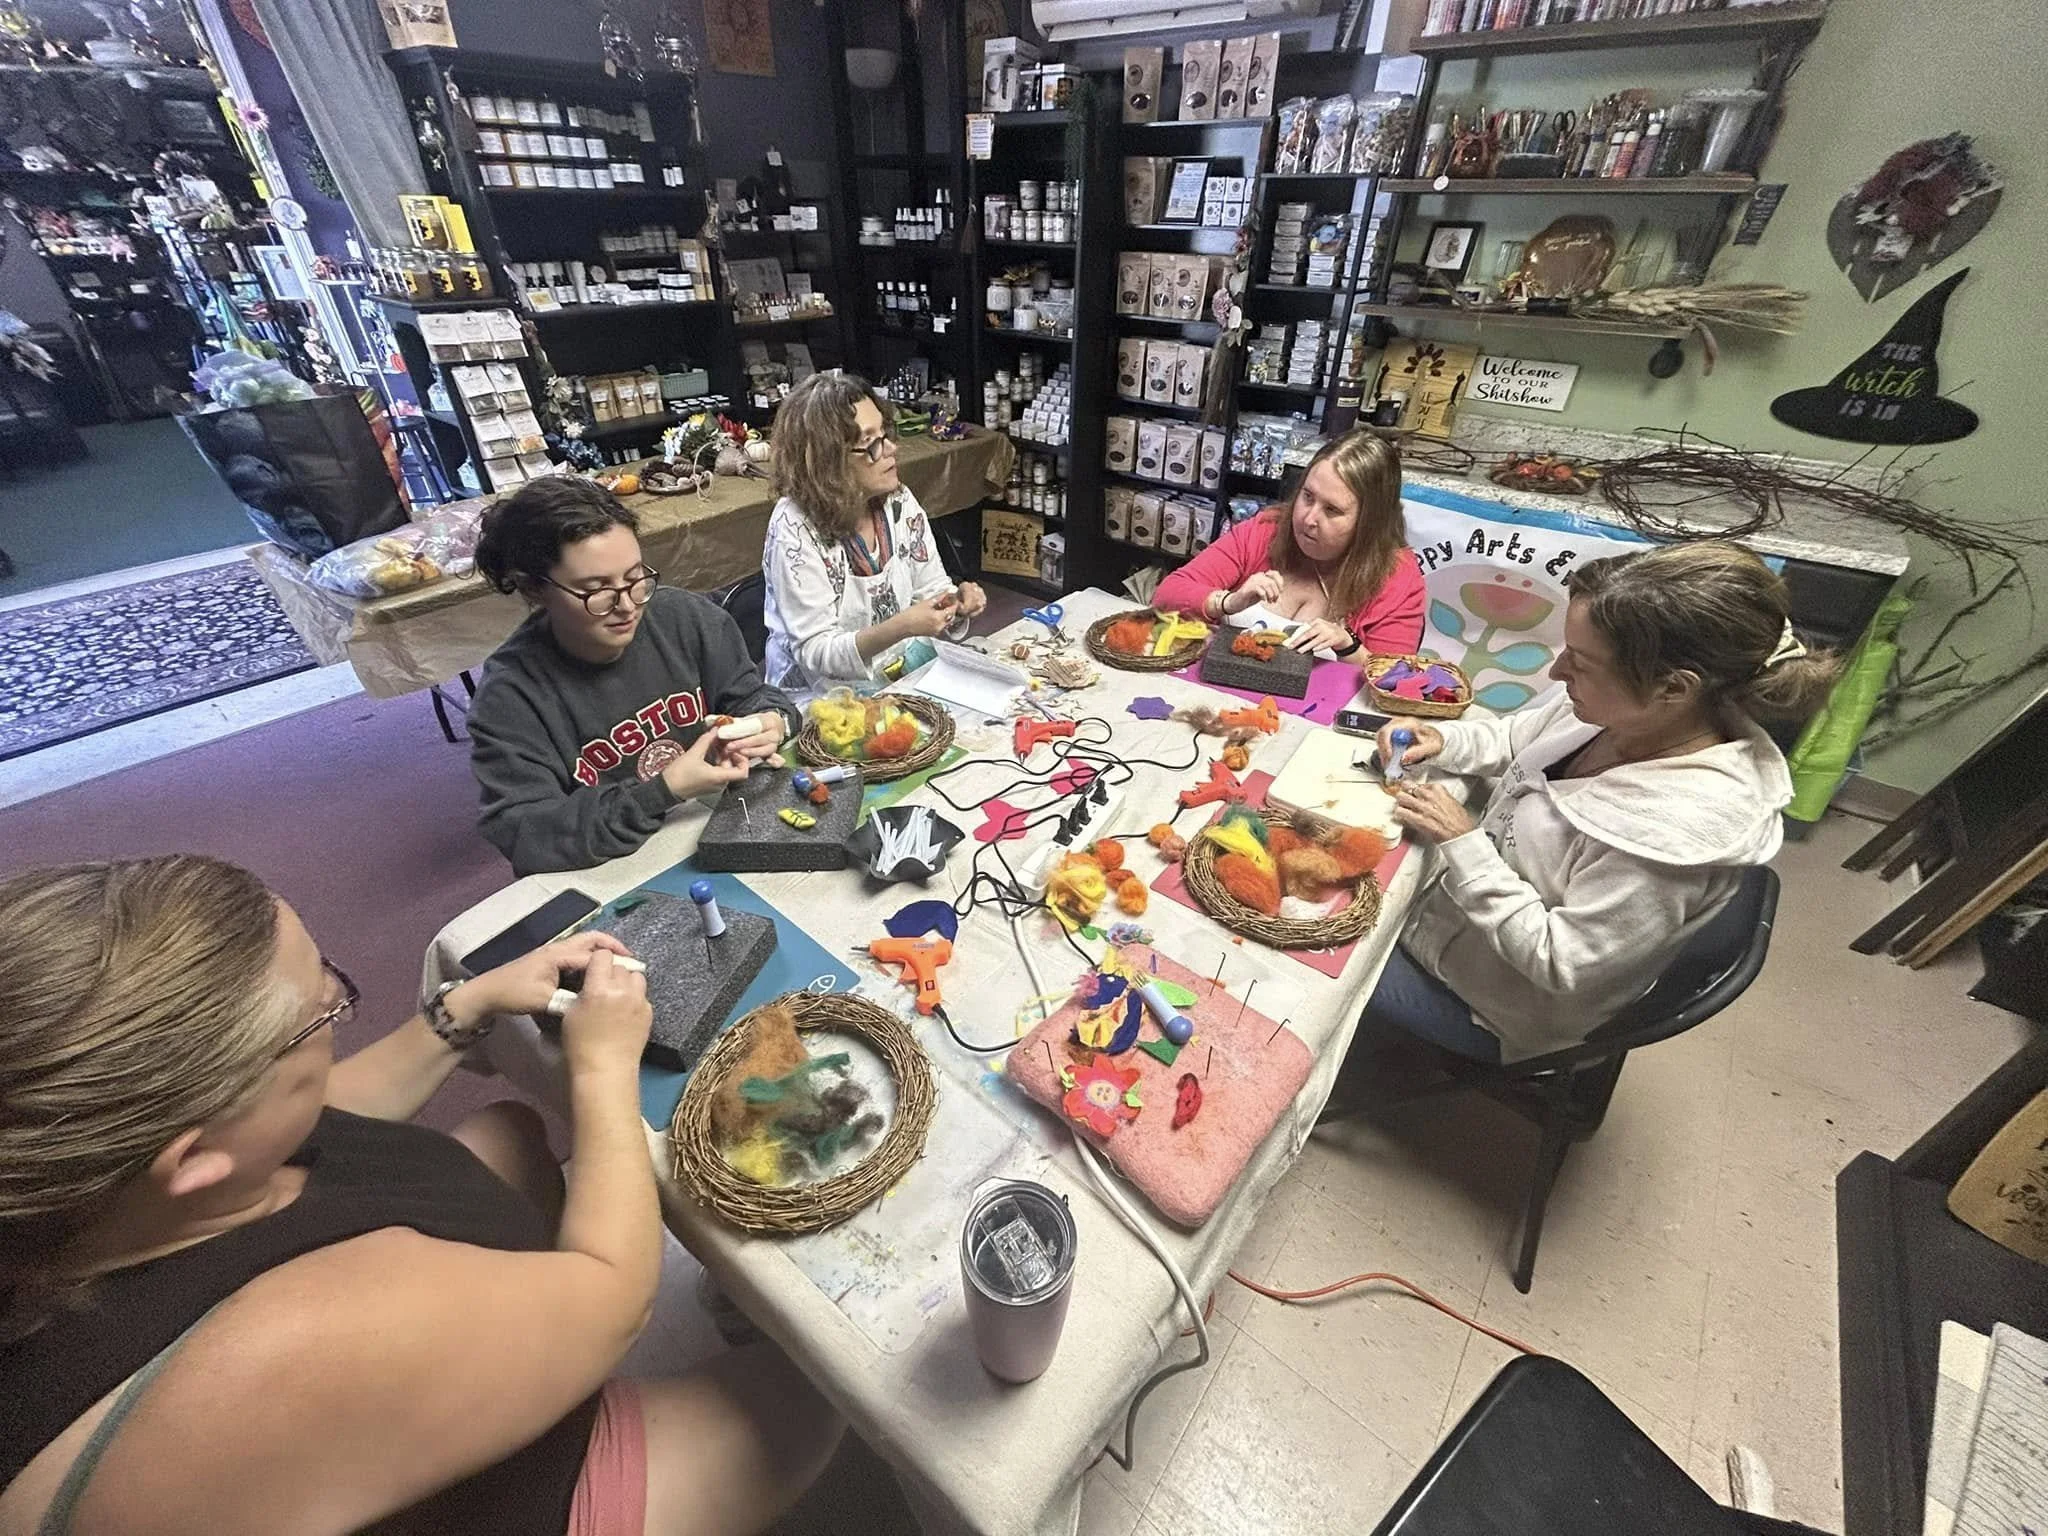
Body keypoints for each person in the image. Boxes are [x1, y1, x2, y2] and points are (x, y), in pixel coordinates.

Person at [0, 855, 843, 1536]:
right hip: (495, 1503)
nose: (336, 999)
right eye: (315, 1019)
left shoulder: (89, 1189)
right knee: (817, 1385)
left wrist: (466, 1004)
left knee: (507, 1132)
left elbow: (318, 1116)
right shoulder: (287, 1353)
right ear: (194, 1158)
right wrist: (601, 1068)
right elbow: (616, 1293)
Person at [1361, 541, 1839, 1064]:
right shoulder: (1621, 710)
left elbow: (1558, 962)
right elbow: (1519, 737)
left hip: (1496, 1003)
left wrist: (1465, 845)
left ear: (1673, 689)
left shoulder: (1666, 837)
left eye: (1581, 663)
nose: (1557, 672)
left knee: (1316, 961)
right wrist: (1446, 742)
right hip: (1459, 926)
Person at [468, 477, 799, 877]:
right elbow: (529, 836)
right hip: (606, 870)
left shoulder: (683, 618)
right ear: (534, 589)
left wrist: (769, 722)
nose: (627, 606)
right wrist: (662, 791)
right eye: (596, 590)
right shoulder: (511, 696)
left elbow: (752, 697)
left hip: (709, 837)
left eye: (635, 577)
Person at [761, 371, 986, 692]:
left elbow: (931, 589)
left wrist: (955, 604)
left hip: (897, 672)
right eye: (871, 443)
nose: (891, 449)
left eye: (885, 434)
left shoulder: (898, 501)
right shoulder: (795, 528)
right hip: (821, 698)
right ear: (828, 461)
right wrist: (901, 627)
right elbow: (816, 651)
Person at [1153, 430, 1425, 659]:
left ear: (1369, 522)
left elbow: (1394, 679)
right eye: (1307, 496)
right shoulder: (1266, 530)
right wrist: (1227, 602)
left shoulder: (1397, 577)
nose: (1309, 518)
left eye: (1332, 510)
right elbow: (1167, 595)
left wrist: (1349, 647)